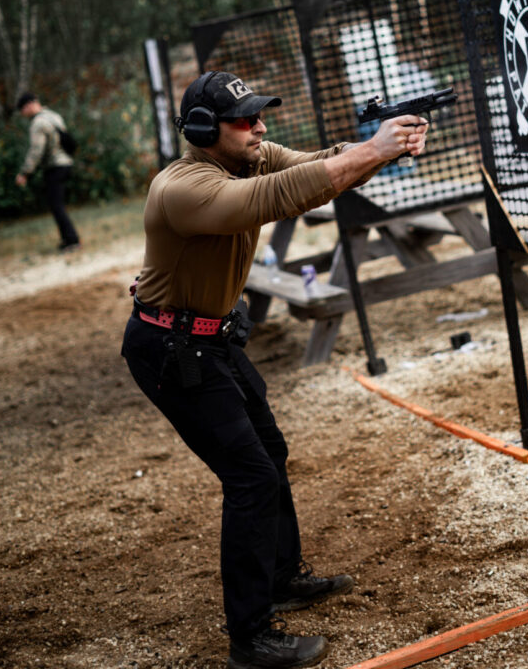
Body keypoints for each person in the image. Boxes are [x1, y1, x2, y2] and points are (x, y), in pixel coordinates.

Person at [121, 71, 428, 669]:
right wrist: (374, 149)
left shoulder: (248, 158)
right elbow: (279, 197)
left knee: (270, 451)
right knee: (251, 478)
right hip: (170, 349)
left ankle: (281, 577)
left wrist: (382, 149)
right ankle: (250, 638)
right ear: (204, 129)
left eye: (259, 115)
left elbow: (320, 168)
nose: (260, 127)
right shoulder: (181, 187)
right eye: (245, 120)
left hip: (212, 338)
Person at [14, 92, 80, 252]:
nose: (23, 114)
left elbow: (36, 151)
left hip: (55, 166)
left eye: (22, 110)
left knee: (56, 205)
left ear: (29, 105)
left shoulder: (38, 123)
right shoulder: (53, 116)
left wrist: (25, 172)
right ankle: (67, 239)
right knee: (57, 204)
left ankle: (71, 240)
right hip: (66, 163)